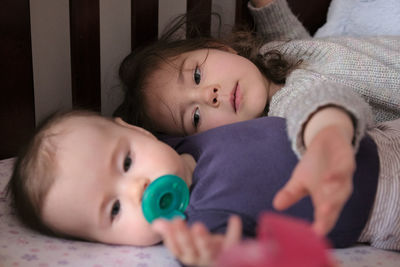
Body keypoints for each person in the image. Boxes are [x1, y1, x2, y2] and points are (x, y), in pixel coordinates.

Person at [113, 0, 400, 238]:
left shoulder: (272, 55)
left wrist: (266, 5)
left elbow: (298, 41)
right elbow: (319, 104)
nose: (209, 96)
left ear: (219, 47)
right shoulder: (284, 112)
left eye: (197, 75)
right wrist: (326, 136)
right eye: (196, 117)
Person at [6, 110, 400, 266]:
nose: (138, 188)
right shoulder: (200, 226)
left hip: (378, 136)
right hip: (383, 199)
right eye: (114, 211)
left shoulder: (176, 143)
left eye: (126, 163)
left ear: (137, 129)